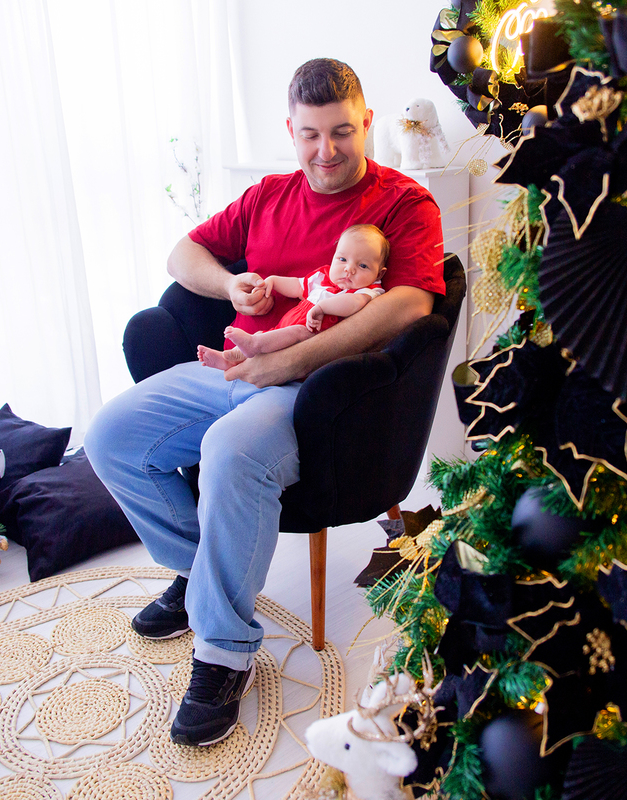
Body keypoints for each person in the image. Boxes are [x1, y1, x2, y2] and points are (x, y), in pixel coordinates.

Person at [84, 58, 444, 748]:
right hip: (235, 367)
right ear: (291, 130)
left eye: (342, 132)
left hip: (318, 392)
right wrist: (230, 286)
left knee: (229, 452)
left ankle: (224, 653)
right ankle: (200, 580)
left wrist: (298, 357)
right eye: (310, 135)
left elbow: (413, 304)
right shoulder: (267, 195)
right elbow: (182, 254)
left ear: (366, 122)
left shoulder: (403, 203)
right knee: (111, 437)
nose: (326, 151)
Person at [196, 223, 389, 371]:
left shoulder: (368, 290)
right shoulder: (323, 276)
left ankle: (250, 346)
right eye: (342, 259)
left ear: (379, 274)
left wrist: (323, 308)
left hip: (313, 336)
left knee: (290, 333)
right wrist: (273, 282)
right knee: (267, 336)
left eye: (362, 266)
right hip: (288, 325)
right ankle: (229, 358)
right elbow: (297, 286)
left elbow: (354, 304)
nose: (349, 269)